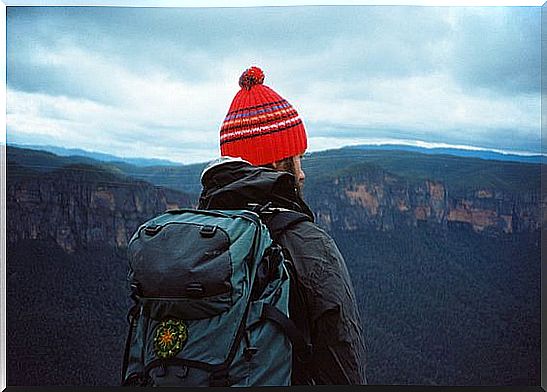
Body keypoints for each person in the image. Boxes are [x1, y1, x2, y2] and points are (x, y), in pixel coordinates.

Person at [197, 66, 367, 385]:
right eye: (297, 157)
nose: (302, 174)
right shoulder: (307, 243)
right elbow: (341, 357)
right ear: (277, 163)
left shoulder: (198, 230)